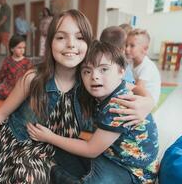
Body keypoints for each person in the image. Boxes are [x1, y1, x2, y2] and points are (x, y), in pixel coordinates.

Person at [0, 10, 153, 183]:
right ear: (50, 43)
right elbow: (1, 112)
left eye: (79, 37)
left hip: (44, 153)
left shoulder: (92, 80)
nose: (71, 45)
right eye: (61, 37)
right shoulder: (32, 78)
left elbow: (132, 87)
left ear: (89, 43)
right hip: (9, 139)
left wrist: (147, 102)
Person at [28, 41, 159, 184]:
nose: (94, 76)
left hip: (134, 172)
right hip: (112, 157)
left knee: (66, 153)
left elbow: (91, 150)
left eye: (103, 69)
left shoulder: (118, 105)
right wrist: (149, 99)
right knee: (62, 151)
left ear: (121, 71)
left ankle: (53, 172)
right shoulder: (115, 87)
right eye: (87, 71)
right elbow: (133, 86)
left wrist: (50, 137)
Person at [0, 35, 33, 99]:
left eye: (24, 48)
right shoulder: (7, 61)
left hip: (20, 89)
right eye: (19, 48)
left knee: (2, 94)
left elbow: (30, 77)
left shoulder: (27, 62)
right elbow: (1, 75)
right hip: (8, 87)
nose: (22, 50)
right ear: (12, 49)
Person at [126, 28, 161, 104]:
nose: (127, 49)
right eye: (126, 45)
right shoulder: (131, 62)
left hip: (148, 102)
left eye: (132, 46)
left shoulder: (148, 66)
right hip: (138, 96)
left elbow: (138, 89)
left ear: (145, 49)